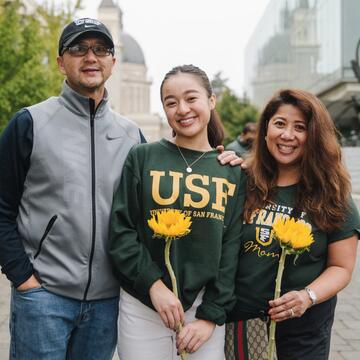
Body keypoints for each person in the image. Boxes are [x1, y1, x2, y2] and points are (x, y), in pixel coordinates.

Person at [0, 18, 146, 360]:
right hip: (43, 298)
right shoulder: (29, 123)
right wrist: (23, 278)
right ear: (60, 62)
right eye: (78, 48)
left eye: (100, 49)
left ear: (113, 61)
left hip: (106, 305)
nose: (90, 57)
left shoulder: (132, 138)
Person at [109, 64, 246, 360]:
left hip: (202, 311)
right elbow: (121, 232)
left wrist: (210, 316)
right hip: (143, 304)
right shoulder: (143, 157)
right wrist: (153, 286)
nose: (182, 109)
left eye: (191, 98)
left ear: (211, 101)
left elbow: (231, 249)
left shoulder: (231, 171)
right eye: (171, 102)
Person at [225, 89, 360, 360]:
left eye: (300, 127)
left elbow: (341, 268)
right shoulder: (242, 181)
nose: (288, 135)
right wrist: (218, 166)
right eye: (279, 124)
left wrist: (307, 296)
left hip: (303, 331)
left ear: (314, 136)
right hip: (241, 325)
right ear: (265, 131)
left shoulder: (332, 193)